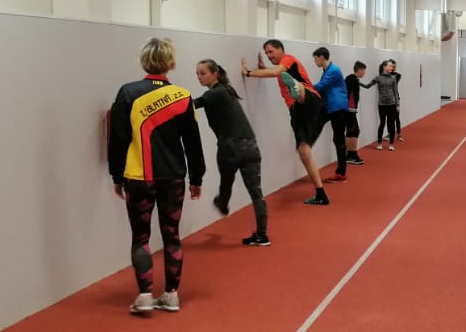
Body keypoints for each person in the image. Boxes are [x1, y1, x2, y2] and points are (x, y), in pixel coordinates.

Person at [109, 37, 205, 313]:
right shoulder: (182, 96)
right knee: (171, 235)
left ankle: (144, 295)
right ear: (171, 64)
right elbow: (193, 141)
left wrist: (116, 175)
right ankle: (171, 294)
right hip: (173, 178)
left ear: (144, 61)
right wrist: (196, 177)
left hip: (139, 177)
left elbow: (118, 138)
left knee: (140, 237)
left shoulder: (127, 93)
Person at [241, 39, 330, 206]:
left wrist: (248, 72)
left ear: (280, 49)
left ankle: (297, 89)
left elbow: (277, 72)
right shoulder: (281, 70)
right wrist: (264, 69)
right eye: (266, 53)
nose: (269, 55)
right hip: (296, 112)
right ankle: (321, 193)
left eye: (271, 51)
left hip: (310, 99)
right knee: (304, 151)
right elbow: (276, 73)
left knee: (299, 90)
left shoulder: (288, 59)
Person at [194, 60, 268, 247]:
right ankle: (262, 236)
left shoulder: (215, 92)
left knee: (226, 182)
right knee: (256, 192)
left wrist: (168, 102)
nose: (199, 77)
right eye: (197, 73)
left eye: (203, 73)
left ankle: (222, 203)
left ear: (215, 74)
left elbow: (194, 104)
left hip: (230, 146)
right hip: (251, 145)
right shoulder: (227, 89)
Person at [311, 46, 352, 183]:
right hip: (330, 106)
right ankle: (306, 146)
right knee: (315, 126)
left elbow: (321, 86)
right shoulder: (327, 70)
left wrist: (305, 86)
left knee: (338, 139)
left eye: (315, 58)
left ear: (321, 57)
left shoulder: (334, 70)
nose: (315, 61)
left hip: (337, 107)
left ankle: (341, 173)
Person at [344, 60, 368, 167]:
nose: (364, 73)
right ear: (359, 70)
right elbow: (350, 95)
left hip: (349, 109)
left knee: (350, 131)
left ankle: (350, 155)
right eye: (364, 71)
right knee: (354, 130)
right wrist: (351, 108)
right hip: (350, 110)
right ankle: (352, 155)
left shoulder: (352, 80)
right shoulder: (352, 80)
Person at [373, 60, 401, 149]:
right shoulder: (378, 77)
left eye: (392, 66)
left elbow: (395, 92)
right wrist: (357, 81)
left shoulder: (393, 78)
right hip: (382, 104)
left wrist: (397, 104)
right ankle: (379, 143)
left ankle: (391, 144)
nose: (392, 68)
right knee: (382, 123)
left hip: (392, 104)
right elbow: (368, 85)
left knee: (391, 124)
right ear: (384, 67)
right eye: (390, 66)